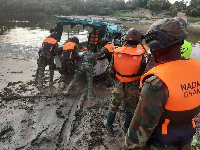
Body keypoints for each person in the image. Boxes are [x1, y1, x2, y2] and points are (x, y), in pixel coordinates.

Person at [125, 18, 200, 150]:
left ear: (155, 47)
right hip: (186, 139)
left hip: (161, 144)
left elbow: (137, 137)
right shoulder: (197, 68)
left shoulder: (156, 83)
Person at [103, 28, 148, 133]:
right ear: (138, 40)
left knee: (114, 104)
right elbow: (143, 72)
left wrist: (117, 79)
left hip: (119, 83)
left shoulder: (116, 52)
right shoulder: (141, 55)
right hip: (133, 85)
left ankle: (109, 123)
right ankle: (126, 127)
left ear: (126, 39)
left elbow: (111, 71)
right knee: (131, 108)